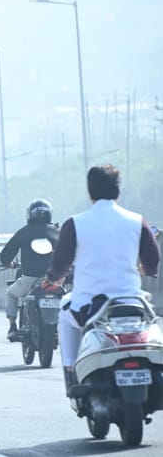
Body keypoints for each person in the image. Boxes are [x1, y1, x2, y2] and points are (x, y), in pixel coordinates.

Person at [45, 165, 160, 397]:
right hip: (132, 303)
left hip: (89, 307)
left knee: (64, 314)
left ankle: (71, 370)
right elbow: (152, 263)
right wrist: (141, 270)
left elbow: (60, 265)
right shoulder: (137, 221)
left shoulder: (75, 223)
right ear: (118, 191)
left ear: (90, 192)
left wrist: (53, 279)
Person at [0, 199, 60, 341]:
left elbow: (6, 255)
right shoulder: (57, 232)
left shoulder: (24, 232)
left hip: (29, 280)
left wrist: (9, 264)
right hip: (55, 281)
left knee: (10, 293)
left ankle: (13, 327)